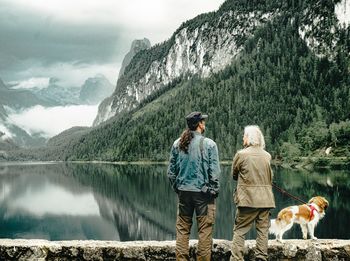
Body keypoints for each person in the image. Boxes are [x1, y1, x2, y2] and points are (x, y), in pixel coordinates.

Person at [167, 111, 221, 261]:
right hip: (203, 195)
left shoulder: (177, 143)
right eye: (203, 121)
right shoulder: (209, 144)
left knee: (182, 230)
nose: (205, 123)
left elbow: (171, 173)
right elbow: (215, 173)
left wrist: (178, 188)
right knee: (204, 231)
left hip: (184, 193)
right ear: (199, 125)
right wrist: (214, 191)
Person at [230, 125, 275, 261]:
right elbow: (270, 177)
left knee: (240, 231)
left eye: (244, 135)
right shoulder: (267, 155)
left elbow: (234, 175)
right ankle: (261, 258)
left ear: (249, 138)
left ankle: (237, 259)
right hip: (265, 200)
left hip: (247, 200)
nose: (243, 138)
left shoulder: (241, 155)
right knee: (263, 232)